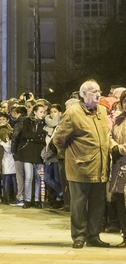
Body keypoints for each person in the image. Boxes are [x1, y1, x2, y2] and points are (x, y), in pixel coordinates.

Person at [52, 80, 111, 249]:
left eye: (99, 90)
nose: (98, 94)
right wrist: (71, 157)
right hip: (80, 168)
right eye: (93, 91)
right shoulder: (73, 113)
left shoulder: (103, 111)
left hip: (100, 167)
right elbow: (58, 140)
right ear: (83, 94)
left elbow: (105, 137)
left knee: (97, 205)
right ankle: (79, 236)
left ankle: (93, 236)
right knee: (78, 205)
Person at [109, 90, 126, 248]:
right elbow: (111, 137)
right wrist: (113, 146)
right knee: (120, 203)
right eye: (125, 101)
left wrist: (120, 149)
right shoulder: (119, 120)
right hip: (120, 168)